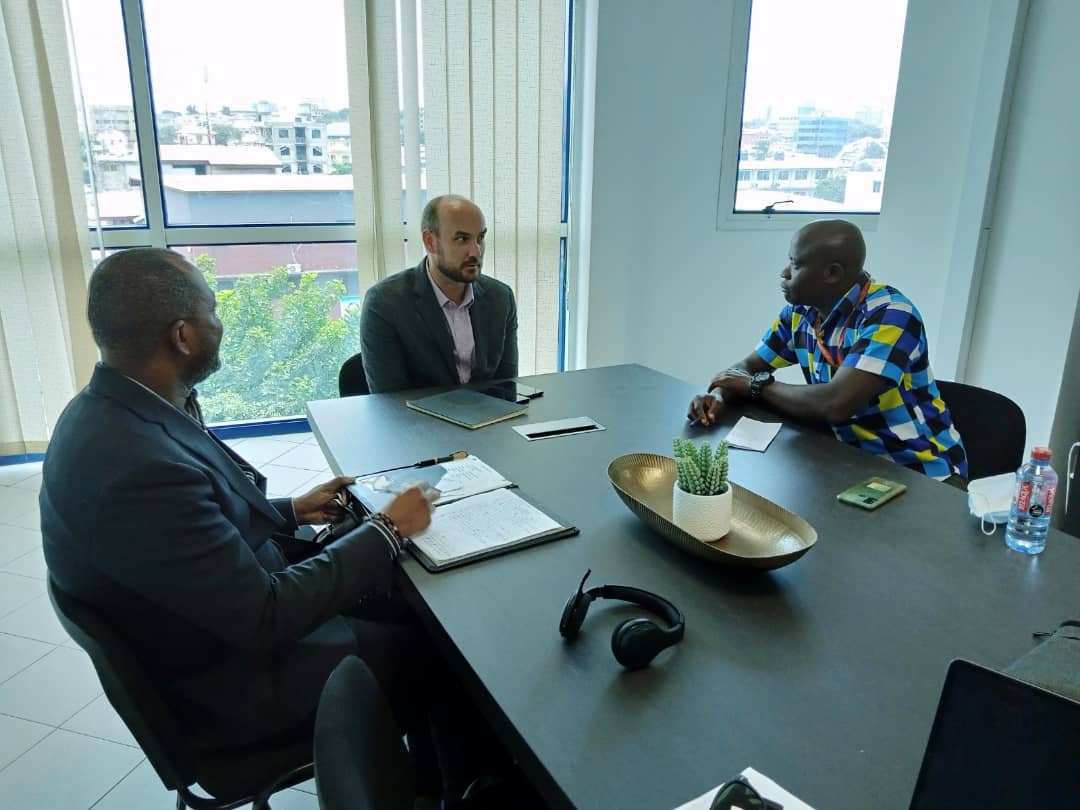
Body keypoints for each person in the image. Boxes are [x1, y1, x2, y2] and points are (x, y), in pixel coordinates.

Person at [40, 248, 474, 801]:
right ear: (182, 337)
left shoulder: (118, 408)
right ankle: (457, 790)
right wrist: (388, 529)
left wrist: (292, 509)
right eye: (213, 312)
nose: (220, 324)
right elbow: (266, 616)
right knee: (449, 652)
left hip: (208, 634)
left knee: (405, 599)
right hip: (235, 691)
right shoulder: (137, 469)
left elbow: (195, 532)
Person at [687, 220, 968, 484]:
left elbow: (836, 403)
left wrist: (754, 386)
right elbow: (748, 367)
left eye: (795, 265)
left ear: (832, 273)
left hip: (919, 472)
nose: (784, 273)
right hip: (847, 459)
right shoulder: (800, 313)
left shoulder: (891, 315)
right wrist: (719, 395)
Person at [360, 194, 518, 393]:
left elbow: (507, 387)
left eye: (480, 238)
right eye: (462, 239)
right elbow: (391, 403)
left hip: (488, 420)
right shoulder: (385, 303)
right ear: (430, 241)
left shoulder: (501, 298)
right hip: (417, 422)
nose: (476, 251)